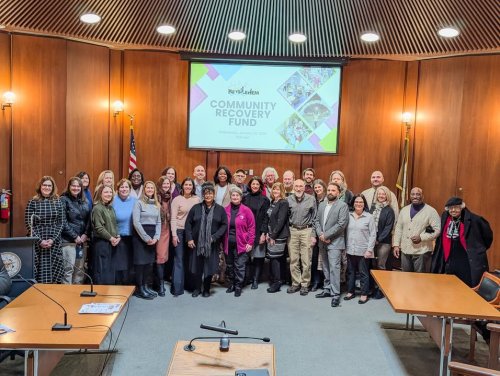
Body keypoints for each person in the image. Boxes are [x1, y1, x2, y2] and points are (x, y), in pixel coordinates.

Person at [432, 197, 493, 287]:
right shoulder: (445, 217)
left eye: (456, 207)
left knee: (466, 284)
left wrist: (478, 249)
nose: (453, 210)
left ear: (462, 207)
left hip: (466, 258)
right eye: (450, 208)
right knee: (450, 284)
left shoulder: (475, 219)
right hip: (450, 257)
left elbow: (488, 237)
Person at [185, 182, 227, 297]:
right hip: (196, 243)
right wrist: (189, 239)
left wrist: (215, 237)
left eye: (210, 193)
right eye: (206, 194)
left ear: (214, 195)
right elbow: (188, 224)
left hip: (212, 244)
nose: (208, 196)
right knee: (198, 267)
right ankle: (197, 288)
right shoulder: (196, 208)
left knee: (209, 267)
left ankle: (207, 289)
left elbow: (224, 225)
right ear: (203, 195)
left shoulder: (220, 210)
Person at [25, 176, 65, 283]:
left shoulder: (58, 201)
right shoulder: (32, 202)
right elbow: (29, 224)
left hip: (54, 241)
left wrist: (53, 239)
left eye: (49, 185)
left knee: (55, 268)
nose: (47, 187)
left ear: (53, 188)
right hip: (37, 240)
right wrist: (40, 240)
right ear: (40, 186)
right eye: (45, 185)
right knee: (37, 268)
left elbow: (61, 223)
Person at [314, 182, 349, 307]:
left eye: (333, 190)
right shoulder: (322, 204)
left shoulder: (342, 206)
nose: (330, 192)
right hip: (322, 241)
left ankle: (335, 294)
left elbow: (341, 224)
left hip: (335, 242)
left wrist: (327, 235)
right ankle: (327, 288)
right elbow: (316, 221)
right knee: (325, 267)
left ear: (338, 193)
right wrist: (320, 235)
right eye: (328, 190)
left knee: (335, 268)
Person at [393, 187, 440, 273]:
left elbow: (436, 229)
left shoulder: (431, 211)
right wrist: (396, 244)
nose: (415, 196)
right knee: (406, 279)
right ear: (410, 196)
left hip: (422, 252)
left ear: (422, 196)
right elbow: (399, 228)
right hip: (405, 251)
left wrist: (421, 237)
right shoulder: (404, 210)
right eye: (413, 194)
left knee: (420, 281)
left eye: (418, 194)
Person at [170, 177, 200, 296]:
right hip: (179, 232)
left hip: (192, 233)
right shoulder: (177, 199)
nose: (188, 187)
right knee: (179, 259)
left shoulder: (197, 199)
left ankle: (190, 285)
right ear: (182, 186)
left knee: (191, 260)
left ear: (193, 187)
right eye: (186, 185)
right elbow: (173, 218)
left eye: (190, 185)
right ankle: (177, 288)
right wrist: (174, 235)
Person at [344, 195, 376, 304]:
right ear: (353, 203)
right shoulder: (348, 216)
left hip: (363, 251)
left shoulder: (369, 217)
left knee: (363, 273)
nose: (358, 204)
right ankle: (350, 292)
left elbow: (373, 235)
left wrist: (369, 250)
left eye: (361, 202)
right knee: (350, 272)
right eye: (356, 202)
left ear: (364, 204)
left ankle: (364, 294)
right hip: (350, 249)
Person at [287, 179, 317, 295]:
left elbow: (315, 218)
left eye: (301, 186)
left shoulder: (311, 199)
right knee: (293, 259)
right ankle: (295, 283)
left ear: (304, 187)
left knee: (306, 260)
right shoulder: (288, 199)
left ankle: (305, 284)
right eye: (296, 186)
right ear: (293, 187)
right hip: (292, 230)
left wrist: (313, 235)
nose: (298, 188)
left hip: (307, 230)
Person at [224, 186, 255, 297]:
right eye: (233, 195)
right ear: (230, 197)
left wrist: (250, 242)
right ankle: (232, 284)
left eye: (237, 195)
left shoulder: (246, 210)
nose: (235, 197)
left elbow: (252, 228)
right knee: (230, 265)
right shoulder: (225, 210)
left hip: (241, 244)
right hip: (228, 243)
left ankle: (238, 286)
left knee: (240, 265)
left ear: (241, 197)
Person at [132, 181, 161, 299]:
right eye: (148, 188)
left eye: (152, 188)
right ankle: (139, 289)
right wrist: (146, 238)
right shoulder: (138, 203)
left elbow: (159, 222)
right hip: (140, 237)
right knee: (140, 264)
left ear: (154, 190)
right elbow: (136, 222)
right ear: (144, 190)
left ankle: (145, 286)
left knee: (148, 264)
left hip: (152, 237)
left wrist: (156, 237)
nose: (150, 189)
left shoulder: (156, 205)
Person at [60, 177, 91, 284]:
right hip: (68, 241)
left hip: (82, 241)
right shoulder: (63, 200)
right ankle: (66, 298)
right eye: (73, 185)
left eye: (78, 186)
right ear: (69, 187)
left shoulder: (84, 201)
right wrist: (75, 236)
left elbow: (89, 220)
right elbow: (62, 222)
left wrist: (85, 234)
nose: (76, 188)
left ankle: (76, 296)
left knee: (80, 270)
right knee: (68, 270)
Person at [242, 176, 270, 289]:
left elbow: (266, 218)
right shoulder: (244, 198)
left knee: (258, 257)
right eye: (253, 184)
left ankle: (255, 279)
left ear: (260, 186)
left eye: (257, 184)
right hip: (246, 231)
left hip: (259, 231)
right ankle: (248, 278)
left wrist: (263, 233)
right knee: (247, 256)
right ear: (250, 185)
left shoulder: (265, 200)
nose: (255, 186)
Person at [263, 182, 290, 293]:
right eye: (274, 189)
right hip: (271, 233)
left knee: (274, 258)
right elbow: (268, 219)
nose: (275, 191)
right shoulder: (273, 202)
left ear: (282, 191)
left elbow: (281, 221)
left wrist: (273, 236)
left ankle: (277, 282)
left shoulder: (283, 202)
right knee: (275, 257)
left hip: (279, 235)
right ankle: (277, 279)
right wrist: (267, 233)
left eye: (278, 190)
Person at [91, 185, 120, 285]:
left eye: (110, 192)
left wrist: (118, 236)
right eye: (106, 192)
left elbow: (115, 224)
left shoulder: (111, 208)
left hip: (112, 243)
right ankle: (100, 296)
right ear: (100, 194)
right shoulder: (97, 208)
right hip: (101, 243)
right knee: (101, 270)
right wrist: (111, 238)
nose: (109, 194)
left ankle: (108, 294)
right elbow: (99, 227)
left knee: (110, 270)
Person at [371, 186, 395, 299]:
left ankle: (380, 289)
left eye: (383, 194)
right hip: (372, 241)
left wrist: (378, 239)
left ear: (387, 196)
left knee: (381, 265)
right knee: (372, 265)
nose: (381, 196)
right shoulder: (373, 208)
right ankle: (373, 287)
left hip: (383, 242)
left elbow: (388, 228)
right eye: (379, 194)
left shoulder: (389, 210)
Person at [112, 178, 136, 285]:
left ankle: (128, 285)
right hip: (118, 236)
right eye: (122, 187)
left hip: (132, 236)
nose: (124, 189)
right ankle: (119, 285)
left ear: (130, 189)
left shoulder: (135, 201)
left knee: (130, 263)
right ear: (118, 189)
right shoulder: (113, 200)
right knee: (119, 264)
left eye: (126, 187)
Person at [156, 176, 172, 296]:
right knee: (159, 258)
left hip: (168, 230)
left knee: (164, 257)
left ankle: (162, 281)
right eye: (164, 184)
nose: (166, 185)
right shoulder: (156, 197)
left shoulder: (171, 197)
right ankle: (159, 285)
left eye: (168, 184)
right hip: (158, 230)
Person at [310, 179, 327, 291]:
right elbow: (312, 218)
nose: (317, 189)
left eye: (319, 187)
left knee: (325, 258)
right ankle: (316, 281)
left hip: (325, 233)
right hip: (314, 233)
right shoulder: (312, 200)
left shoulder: (328, 199)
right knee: (315, 258)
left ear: (323, 187)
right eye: (315, 188)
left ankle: (325, 281)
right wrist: (313, 234)